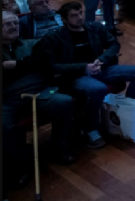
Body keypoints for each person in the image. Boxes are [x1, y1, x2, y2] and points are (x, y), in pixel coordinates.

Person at [35, 2, 135, 150]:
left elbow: (114, 45)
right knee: (97, 88)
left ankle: (126, 108)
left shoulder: (95, 28)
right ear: (65, 19)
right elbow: (52, 66)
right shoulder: (55, 38)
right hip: (76, 76)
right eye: (74, 15)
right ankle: (91, 129)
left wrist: (101, 60)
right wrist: (84, 67)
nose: (80, 17)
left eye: (81, 13)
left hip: (101, 69)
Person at [3, 11, 76, 192]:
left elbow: (45, 60)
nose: (14, 26)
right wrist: (29, 65)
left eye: (15, 23)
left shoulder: (32, 43)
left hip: (40, 91)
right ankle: (20, 166)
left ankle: (61, 148)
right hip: (7, 98)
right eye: (7, 24)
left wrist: (18, 66)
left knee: (64, 102)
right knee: (4, 126)